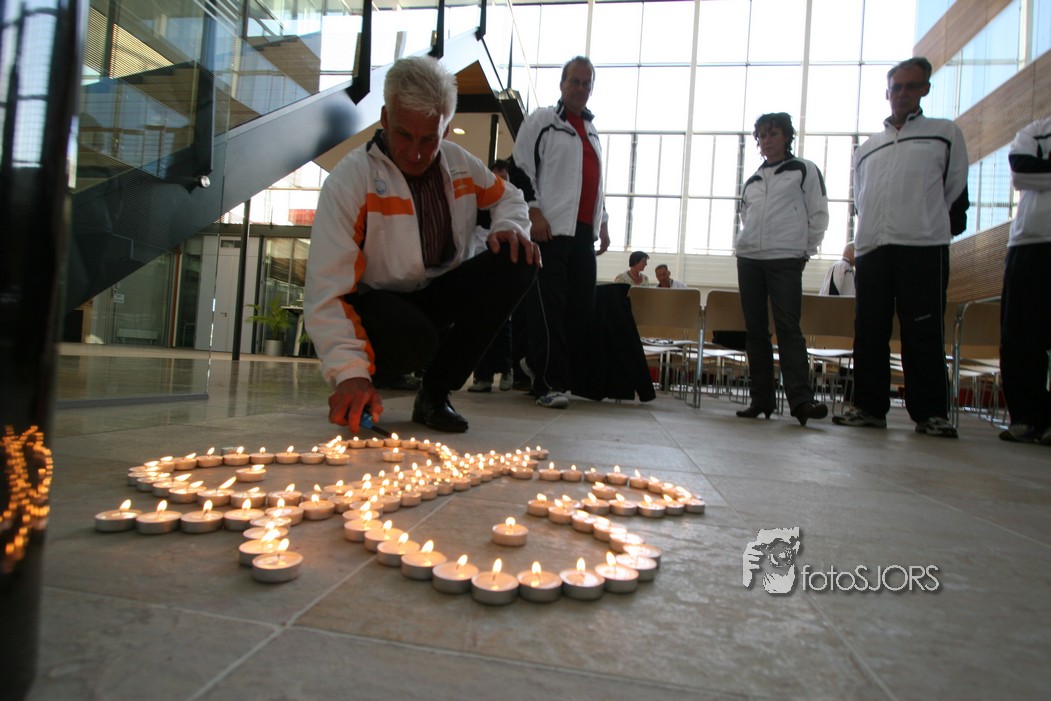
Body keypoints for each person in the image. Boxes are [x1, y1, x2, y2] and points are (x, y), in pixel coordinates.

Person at [304, 57, 539, 434]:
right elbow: (326, 291)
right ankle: (374, 373)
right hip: (379, 308)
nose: (415, 153)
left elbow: (509, 197)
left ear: (446, 127)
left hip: (437, 293)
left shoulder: (460, 164)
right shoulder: (350, 181)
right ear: (385, 118)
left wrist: (509, 227)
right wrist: (350, 374)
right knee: (415, 338)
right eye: (403, 135)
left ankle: (434, 393)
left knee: (519, 260)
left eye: (429, 139)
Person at [833, 57, 969, 438]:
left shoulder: (944, 133)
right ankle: (868, 407)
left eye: (912, 86)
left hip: (922, 247)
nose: (903, 93)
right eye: (897, 87)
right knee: (869, 330)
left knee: (922, 330)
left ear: (925, 89)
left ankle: (931, 413)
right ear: (887, 93)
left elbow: (953, 187)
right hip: (873, 249)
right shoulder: (867, 148)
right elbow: (862, 198)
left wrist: (922, 219)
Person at [509, 56, 610, 410]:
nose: (580, 88)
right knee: (547, 310)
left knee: (580, 309)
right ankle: (548, 383)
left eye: (586, 83)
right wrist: (533, 211)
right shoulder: (543, 121)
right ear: (562, 84)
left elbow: (594, 183)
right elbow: (519, 168)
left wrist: (603, 220)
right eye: (575, 82)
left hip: (583, 235)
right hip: (549, 232)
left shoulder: (592, 132)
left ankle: (534, 363)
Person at [733, 112, 830, 426]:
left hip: (786, 258)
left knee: (789, 329)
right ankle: (761, 399)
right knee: (755, 331)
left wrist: (804, 250)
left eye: (773, 134)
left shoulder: (803, 169)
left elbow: (818, 213)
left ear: (787, 137)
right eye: (762, 135)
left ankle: (801, 401)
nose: (767, 140)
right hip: (750, 259)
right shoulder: (753, 180)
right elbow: (746, 218)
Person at [998, 116, 1051, 445]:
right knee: (1019, 335)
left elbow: (1034, 173)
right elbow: (1021, 173)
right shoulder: (1034, 131)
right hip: (1029, 242)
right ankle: (1027, 417)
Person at [469, 159, 516, 393]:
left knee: (503, 321)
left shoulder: (514, 201)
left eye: (504, 178)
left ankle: (507, 370)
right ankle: (482, 376)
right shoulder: (478, 202)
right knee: (479, 321)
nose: (500, 182)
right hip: (480, 259)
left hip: (504, 264)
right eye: (496, 178)